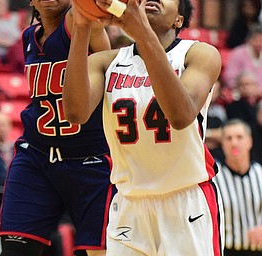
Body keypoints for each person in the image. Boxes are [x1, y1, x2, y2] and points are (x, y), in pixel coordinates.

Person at [63, 0, 224, 255]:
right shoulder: (106, 62)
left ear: (178, 20)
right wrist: (82, 28)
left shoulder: (199, 54)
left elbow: (181, 116)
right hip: (129, 203)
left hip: (186, 200)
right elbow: (75, 114)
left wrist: (143, 36)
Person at [0, 0, 116, 256]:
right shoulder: (29, 36)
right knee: (15, 251)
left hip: (89, 160)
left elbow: (108, 73)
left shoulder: (84, 24)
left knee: (96, 252)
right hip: (36, 157)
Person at [213, 119, 262, 255]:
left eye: (239, 137)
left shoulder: (260, 173)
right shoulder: (214, 178)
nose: (234, 143)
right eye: (229, 138)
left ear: (250, 141)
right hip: (226, 250)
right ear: (222, 144)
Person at [223, 23, 262, 90]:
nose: (259, 44)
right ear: (249, 39)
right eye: (256, 40)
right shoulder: (237, 53)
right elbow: (230, 79)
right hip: (240, 93)